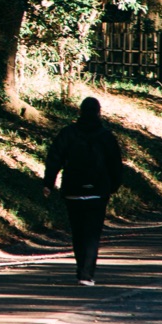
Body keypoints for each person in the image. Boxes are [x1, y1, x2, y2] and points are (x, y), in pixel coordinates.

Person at [43, 95, 124, 286]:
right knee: (92, 234)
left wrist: (48, 182)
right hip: (98, 191)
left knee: (78, 231)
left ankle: (81, 268)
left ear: (80, 111)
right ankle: (86, 274)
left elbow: (54, 158)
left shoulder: (68, 133)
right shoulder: (106, 136)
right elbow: (115, 165)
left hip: (73, 189)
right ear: (98, 112)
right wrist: (113, 186)